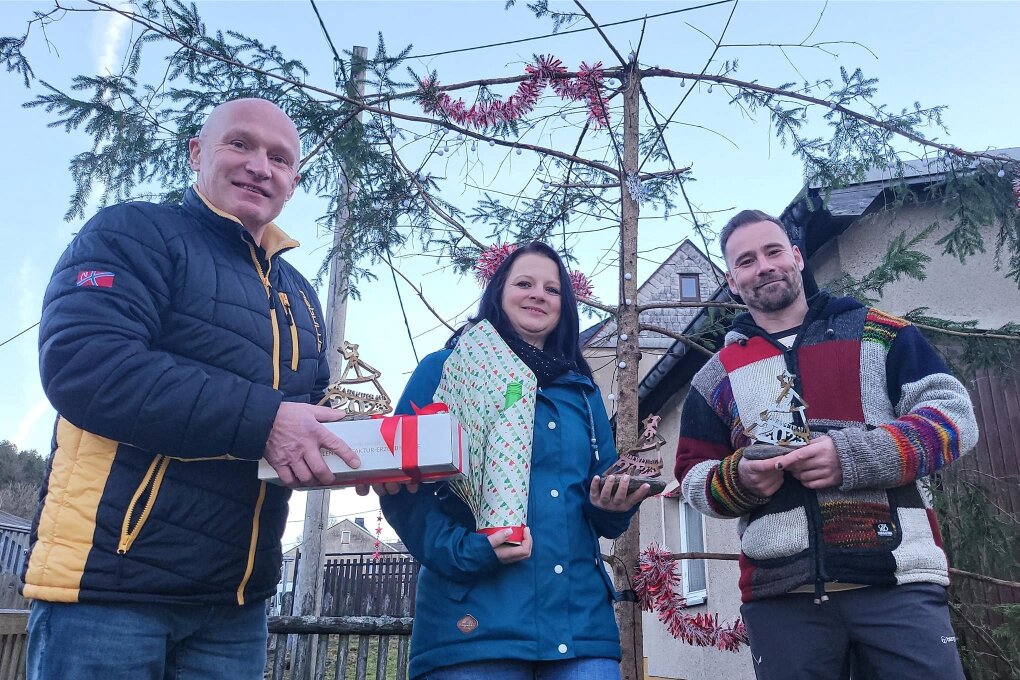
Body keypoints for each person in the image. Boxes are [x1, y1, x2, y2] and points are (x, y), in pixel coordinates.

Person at [23, 98, 359, 680]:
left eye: (279, 158)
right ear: (197, 153)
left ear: (293, 183)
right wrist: (268, 421)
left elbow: (301, 424)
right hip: (112, 589)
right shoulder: (133, 232)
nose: (260, 166)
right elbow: (85, 365)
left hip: (237, 603)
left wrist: (374, 458)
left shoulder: (301, 296)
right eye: (241, 145)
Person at [675, 209, 979, 680]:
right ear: (733, 281)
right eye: (747, 260)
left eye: (773, 251)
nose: (764, 266)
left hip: (897, 582)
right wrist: (739, 480)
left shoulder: (882, 333)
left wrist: (855, 457)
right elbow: (693, 479)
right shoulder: (716, 375)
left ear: (796, 257)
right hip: (782, 597)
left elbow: (953, 420)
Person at [376, 242, 649, 680]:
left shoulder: (582, 389)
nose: (538, 294)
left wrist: (612, 504)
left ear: (565, 306)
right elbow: (401, 489)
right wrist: (469, 552)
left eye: (552, 289)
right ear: (498, 293)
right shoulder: (444, 369)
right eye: (525, 283)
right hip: (472, 627)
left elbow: (597, 501)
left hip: (579, 627)